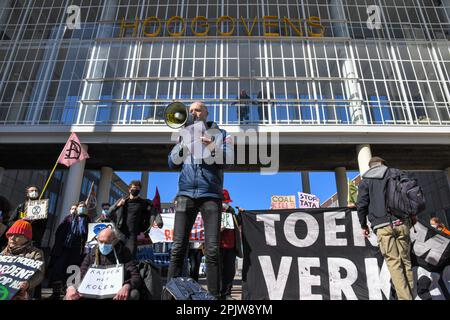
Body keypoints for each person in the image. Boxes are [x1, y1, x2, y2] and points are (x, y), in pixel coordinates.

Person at [167, 101, 232, 299]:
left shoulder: (221, 134)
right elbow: (171, 162)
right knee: (178, 248)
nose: (194, 112)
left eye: (198, 109)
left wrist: (210, 144)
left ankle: (214, 296)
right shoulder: (183, 134)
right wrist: (184, 145)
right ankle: (170, 293)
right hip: (186, 193)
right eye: (191, 110)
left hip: (210, 195)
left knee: (212, 250)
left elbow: (228, 161)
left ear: (206, 112)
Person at [357, 156, 415, 300]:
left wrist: (363, 224)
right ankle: (409, 296)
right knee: (406, 261)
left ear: (371, 166)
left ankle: (405, 298)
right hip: (402, 222)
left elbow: (362, 205)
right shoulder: (396, 173)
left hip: (382, 226)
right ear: (383, 164)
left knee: (395, 264)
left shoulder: (366, 181)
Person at [65, 227, 142, 300]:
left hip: (115, 295)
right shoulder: (92, 253)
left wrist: (127, 286)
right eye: (100, 242)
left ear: (115, 241)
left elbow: (135, 276)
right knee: (68, 296)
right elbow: (81, 272)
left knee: (134, 294)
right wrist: (71, 287)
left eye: (107, 242)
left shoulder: (123, 252)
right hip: (92, 293)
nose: (103, 245)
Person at [47, 202, 91, 299]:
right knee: (59, 270)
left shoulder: (88, 220)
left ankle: (68, 292)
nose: (81, 208)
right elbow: (59, 232)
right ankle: (56, 293)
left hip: (77, 251)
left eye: (84, 207)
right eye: (80, 206)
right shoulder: (69, 218)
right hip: (64, 249)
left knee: (72, 272)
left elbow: (88, 235)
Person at [109, 180, 157, 257]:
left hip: (133, 235)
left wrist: (145, 231)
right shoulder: (123, 200)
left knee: (130, 257)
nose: (136, 190)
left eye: (138, 189)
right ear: (129, 189)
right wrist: (118, 205)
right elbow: (109, 212)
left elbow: (152, 214)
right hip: (120, 233)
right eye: (134, 188)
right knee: (118, 256)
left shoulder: (143, 203)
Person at [1, 220, 45, 300]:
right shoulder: (4, 252)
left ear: (26, 238)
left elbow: (39, 273)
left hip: (22, 293)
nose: (12, 238)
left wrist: (28, 283)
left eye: (17, 236)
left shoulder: (36, 253)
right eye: (10, 235)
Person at [219, 189, 243, 300]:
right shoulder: (213, 212)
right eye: (225, 201)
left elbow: (238, 223)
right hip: (218, 247)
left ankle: (227, 293)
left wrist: (241, 214)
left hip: (231, 247)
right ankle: (217, 294)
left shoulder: (231, 211)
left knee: (229, 272)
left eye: (227, 202)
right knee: (218, 271)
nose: (226, 204)